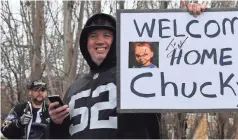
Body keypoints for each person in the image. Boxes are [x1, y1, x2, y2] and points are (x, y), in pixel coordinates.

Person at [48, 3, 206, 139]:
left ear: (118, 40)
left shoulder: (137, 73)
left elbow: (180, 66)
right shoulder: (75, 86)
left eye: (107, 35)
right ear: (85, 42)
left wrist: (188, 21)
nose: (100, 41)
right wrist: (56, 123)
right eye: (93, 36)